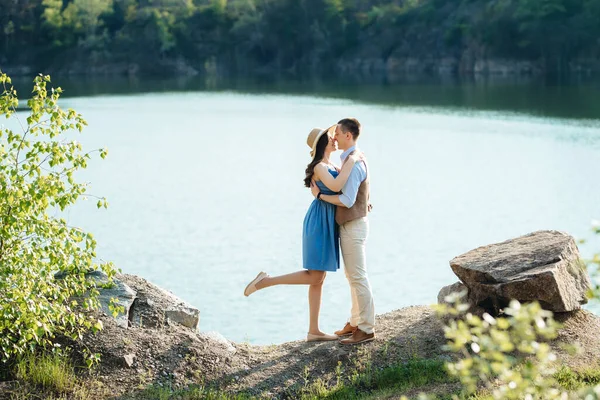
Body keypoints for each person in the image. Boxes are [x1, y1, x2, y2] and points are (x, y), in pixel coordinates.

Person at [243, 126, 358, 342]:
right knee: (315, 275)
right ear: (323, 143)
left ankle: (313, 331)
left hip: (326, 220)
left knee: (318, 279)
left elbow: (345, 189)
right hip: (319, 221)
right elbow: (336, 184)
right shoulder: (320, 167)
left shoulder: (330, 164)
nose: (335, 139)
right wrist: (352, 160)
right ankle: (266, 281)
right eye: (330, 137)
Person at [310, 118, 375, 345]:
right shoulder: (348, 159)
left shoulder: (354, 161)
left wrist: (320, 196)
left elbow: (347, 200)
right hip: (350, 224)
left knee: (358, 276)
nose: (334, 136)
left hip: (353, 224)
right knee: (352, 276)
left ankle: (366, 329)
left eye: (337, 133)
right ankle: (356, 321)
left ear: (348, 136)